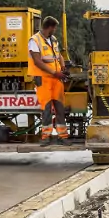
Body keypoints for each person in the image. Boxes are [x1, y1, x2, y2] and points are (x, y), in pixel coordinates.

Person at [28, 16, 70, 146]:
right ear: (50, 27)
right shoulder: (34, 40)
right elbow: (37, 61)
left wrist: (63, 67)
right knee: (46, 108)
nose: (55, 30)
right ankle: (45, 136)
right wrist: (54, 72)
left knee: (59, 107)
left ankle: (62, 136)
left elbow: (58, 56)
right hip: (43, 79)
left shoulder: (53, 40)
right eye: (55, 28)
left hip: (56, 78)